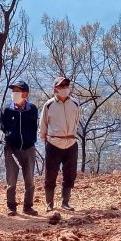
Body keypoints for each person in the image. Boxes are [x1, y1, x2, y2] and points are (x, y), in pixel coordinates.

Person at [39, 76, 81, 212]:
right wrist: (44, 137)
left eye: (66, 86)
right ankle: (49, 203)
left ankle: (65, 202)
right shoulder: (49, 105)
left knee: (70, 174)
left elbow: (77, 121)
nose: (64, 89)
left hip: (71, 143)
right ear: (55, 89)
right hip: (53, 143)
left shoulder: (75, 103)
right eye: (61, 86)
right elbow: (43, 124)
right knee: (50, 174)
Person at [0, 79, 40, 216]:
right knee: (12, 179)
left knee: (29, 180)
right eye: (13, 91)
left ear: (25, 94)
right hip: (11, 149)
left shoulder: (32, 109)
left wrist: (30, 140)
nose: (15, 93)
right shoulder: (7, 110)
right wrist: (10, 139)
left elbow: (34, 127)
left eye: (18, 91)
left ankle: (28, 206)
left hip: (29, 148)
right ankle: (11, 206)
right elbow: (3, 128)